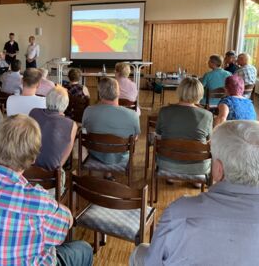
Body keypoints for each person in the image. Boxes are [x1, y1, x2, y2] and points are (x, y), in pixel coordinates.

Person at [0, 115, 93, 266]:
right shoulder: (36, 200)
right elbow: (61, 231)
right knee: (83, 249)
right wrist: (58, 207)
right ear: (31, 160)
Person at [130, 120, 259, 266]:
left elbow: (152, 262)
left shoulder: (180, 213)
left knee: (139, 252)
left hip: (165, 164)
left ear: (218, 170)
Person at [156, 77, 213, 176]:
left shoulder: (164, 111)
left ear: (180, 91)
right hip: (198, 166)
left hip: (167, 164)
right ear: (199, 94)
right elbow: (208, 139)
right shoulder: (207, 115)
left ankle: (172, 175)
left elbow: (159, 133)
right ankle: (196, 177)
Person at [82, 77, 140, 166]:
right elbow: (135, 137)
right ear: (118, 93)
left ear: (100, 93)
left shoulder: (88, 111)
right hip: (121, 156)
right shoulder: (133, 115)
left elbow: (84, 131)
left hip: (95, 153)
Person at [29, 86, 78, 171]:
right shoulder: (71, 124)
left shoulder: (33, 112)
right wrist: (58, 170)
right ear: (65, 104)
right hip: (52, 174)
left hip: (27, 170)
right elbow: (66, 152)